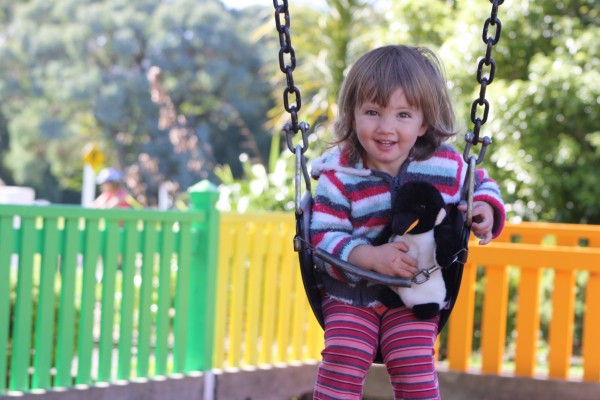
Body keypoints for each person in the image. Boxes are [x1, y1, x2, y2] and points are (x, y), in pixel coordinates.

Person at [309, 45, 506, 399]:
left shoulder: (445, 164)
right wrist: (368, 257)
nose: (386, 128)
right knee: (344, 357)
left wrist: (484, 208)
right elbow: (322, 236)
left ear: (424, 122)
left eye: (402, 114)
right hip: (351, 297)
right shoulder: (339, 172)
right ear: (353, 115)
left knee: (413, 361)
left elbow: (481, 184)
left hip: (415, 294)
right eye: (372, 111)